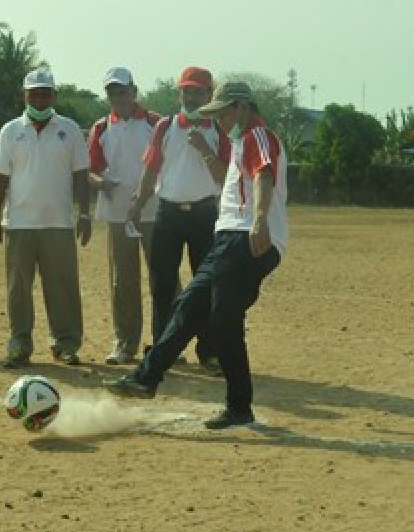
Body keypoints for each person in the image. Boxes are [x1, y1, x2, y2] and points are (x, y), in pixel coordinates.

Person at [105, 81, 287, 429]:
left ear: (242, 107)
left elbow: (264, 175)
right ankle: (159, 383)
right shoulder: (238, 141)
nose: (218, 120)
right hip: (233, 237)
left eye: (222, 112)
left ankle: (155, 380)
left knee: (205, 310)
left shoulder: (257, 136)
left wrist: (259, 220)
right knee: (208, 314)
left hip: (244, 238)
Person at [127, 66, 231, 373]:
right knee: (162, 284)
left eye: (199, 91)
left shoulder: (218, 131)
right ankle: (162, 348)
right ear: (179, 93)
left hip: (203, 213)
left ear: (210, 95)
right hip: (168, 213)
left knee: (208, 284)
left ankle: (209, 350)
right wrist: (137, 202)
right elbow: (150, 170)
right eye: (187, 91)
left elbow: (225, 177)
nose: (192, 97)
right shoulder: (165, 126)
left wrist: (204, 148)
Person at [0, 68, 92, 368]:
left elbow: (81, 175)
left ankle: (67, 342)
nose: (40, 98)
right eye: (34, 93)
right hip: (19, 222)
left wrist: (85, 213)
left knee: (63, 287)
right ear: (25, 95)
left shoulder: (69, 130)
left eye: (45, 92)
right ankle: (19, 342)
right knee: (18, 288)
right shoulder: (10, 131)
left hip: (59, 222)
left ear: (54, 95)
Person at [87, 67, 160, 364]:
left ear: (134, 91)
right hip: (118, 214)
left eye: (122, 90)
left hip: (154, 212)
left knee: (162, 279)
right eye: (112, 92)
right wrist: (101, 183)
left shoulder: (156, 123)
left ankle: (166, 342)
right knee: (123, 281)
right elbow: (89, 169)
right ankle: (125, 343)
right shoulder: (102, 127)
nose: (117, 96)